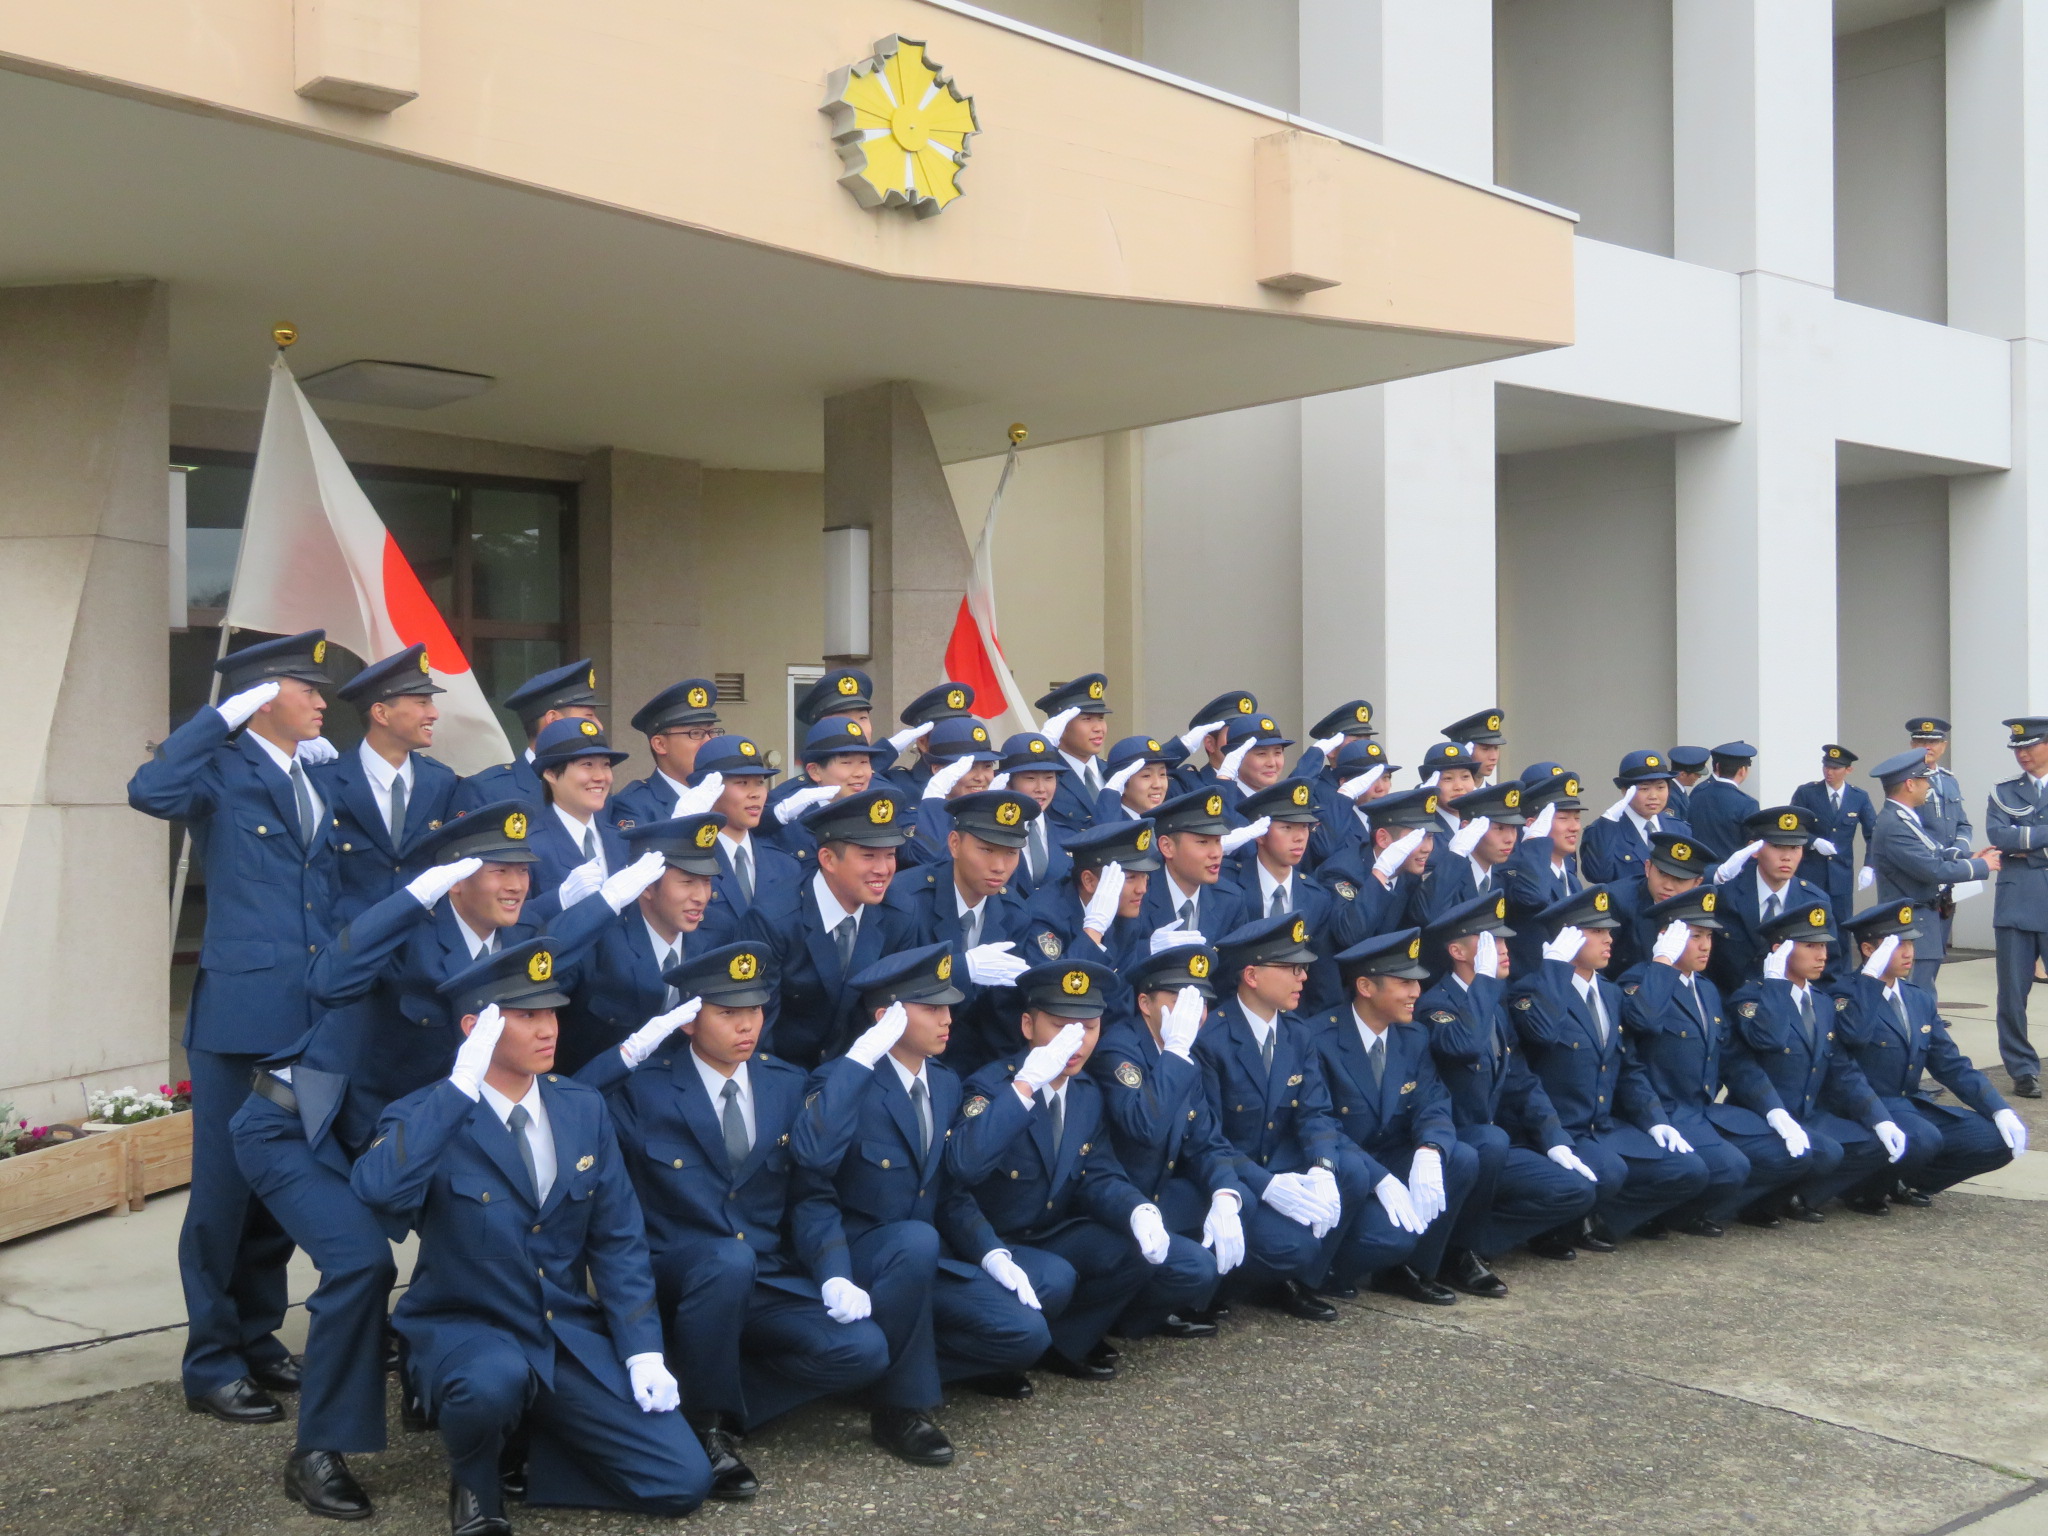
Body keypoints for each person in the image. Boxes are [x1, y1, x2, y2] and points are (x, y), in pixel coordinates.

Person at [241, 802, 639, 1518]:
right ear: (454, 879)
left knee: (483, 1228)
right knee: (361, 1262)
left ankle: (444, 1389)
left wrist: (614, 894)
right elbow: (328, 981)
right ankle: (317, 1450)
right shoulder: (410, 935)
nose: (517, 883)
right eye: (498, 869)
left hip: (385, 1131)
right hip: (298, 1127)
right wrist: (413, 896)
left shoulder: (506, 948)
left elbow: (561, 938)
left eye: (523, 868)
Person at [350, 943, 711, 1532]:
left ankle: (535, 1445)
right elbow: (379, 1192)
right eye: (525, 1016)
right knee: (492, 1383)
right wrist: (455, 1093)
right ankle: (475, 1479)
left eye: (552, 1013)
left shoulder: (581, 1107)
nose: (548, 1029)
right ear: (475, 1029)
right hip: (469, 1328)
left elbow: (618, 1241)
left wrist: (642, 1347)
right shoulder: (424, 1114)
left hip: (563, 1333)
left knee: (680, 1481)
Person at [580, 940, 891, 1498]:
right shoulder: (646, 1087)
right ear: (689, 1021)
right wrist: (626, 1054)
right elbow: (571, 1108)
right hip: (677, 1272)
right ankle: (707, 1428)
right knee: (727, 1259)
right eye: (728, 1012)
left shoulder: (785, 1082)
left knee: (862, 1350)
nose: (747, 1025)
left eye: (754, 1010)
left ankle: (715, 1388)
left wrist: (835, 1271)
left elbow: (810, 1194)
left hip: (761, 1276)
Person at [127, 631, 336, 1427]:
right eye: (304, 686)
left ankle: (256, 1335)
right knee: (221, 1196)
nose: (322, 700)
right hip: (240, 1017)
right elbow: (150, 791)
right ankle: (211, 1361)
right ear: (260, 696)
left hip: (310, 1015)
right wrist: (217, 721)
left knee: (279, 1192)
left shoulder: (316, 775)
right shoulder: (221, 766)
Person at [793, 942, 1059, 1422]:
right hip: (863, 1261)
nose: (947, 1020)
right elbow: (813, 1170)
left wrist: (991, 1252)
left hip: (924, 1258)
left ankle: (882, 1369)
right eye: (931, 1008)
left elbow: (952, 1188)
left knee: (1026, 1333)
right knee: (916, 1240)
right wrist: (858, 1064)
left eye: (949, 1007)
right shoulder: (840, 1080)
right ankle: (899, 1406)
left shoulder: (944, 1081)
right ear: (884, 1018)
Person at [950, 961, 1199, 1378]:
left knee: (1137, 1249)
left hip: (1048, 1231)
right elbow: (962, 1171)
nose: (1076, 1041)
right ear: (1027, 1025)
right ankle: (994, 1362)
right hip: (990, 1239)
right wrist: (1022, 1092)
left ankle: (1064, 1343)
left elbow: (1099, 1173)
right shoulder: (991, 1087)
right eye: (1060, 1025)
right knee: (1056, 1277)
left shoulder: (1085, 1092)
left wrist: (1137, 1210)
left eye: (1088, 1027)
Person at [1092, 940, 1309, 1334]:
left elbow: (1206, 1140)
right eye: (1180, 1000)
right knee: (1194, 1265)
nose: (1194, 1014)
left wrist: (1227, 1193)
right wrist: (1175, 1053)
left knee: (1242, 1208)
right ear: (1144, 1004)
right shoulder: (1119, 1049)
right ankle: (1116, 1322)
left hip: (1159, 1189)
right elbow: (1144, 1127)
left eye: (1201, 1002)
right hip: (1115, 1198)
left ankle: (1188, 1300)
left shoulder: (1183, 1051)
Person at [1507, 886, 1711, 1247]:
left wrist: (1654, 1120)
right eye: (1596, 931)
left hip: (1601, 1126)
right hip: (1557, 1130)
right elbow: (1542, 1033)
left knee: (1689, 1170)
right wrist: (1553, 969)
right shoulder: (1530, 991)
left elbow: (1629, 1068)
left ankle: (1599, 1220)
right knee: (1611, 1171)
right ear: (1567, 938)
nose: (1609, 939)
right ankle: (1558, 1227)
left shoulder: (1611, 993)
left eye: (1609, 930)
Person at [1194, 915, 1373, 1320]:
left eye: (1304, 967)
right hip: (1232, 1173)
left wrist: (1323, 1166)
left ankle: (1296, 1282)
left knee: (1351, 1171)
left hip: (1278, 1158)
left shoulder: (1296, 1032)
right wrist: (1267, 1184)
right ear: (1252, 975)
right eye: (1291, 968)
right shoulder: (1213, 1040)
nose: (1303, 978)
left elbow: (1315, 1111)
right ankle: (1226, 1283)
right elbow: (1208, 1137)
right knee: (1293, 1246)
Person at [1414, 895, 1598, 1284]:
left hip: (1492, 1148)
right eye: (1490, 943)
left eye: (1503, 941)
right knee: (1490, 1141)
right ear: (1457, 951)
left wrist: (1554, 1138)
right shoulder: (1435, 1005)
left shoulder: (1493, 1004)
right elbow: (1463, 1044)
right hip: (1451, 1146)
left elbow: (1520, 1080)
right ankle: (1450, 1254)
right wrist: (1482, 981)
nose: (1503, 950)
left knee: (1575, 1189)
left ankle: (1468, 1243)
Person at [1310, 929, 1482, 1306]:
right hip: (1346, 1171)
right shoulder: (1319, 1039)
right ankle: (1327, 1270)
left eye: (1417, 982)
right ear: (1366, 987)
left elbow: (1433, 1101)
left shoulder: (1412, 1036)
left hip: (1391, 1155)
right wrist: (1379, 1178)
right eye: (1404, 983)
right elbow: (1320, 1122)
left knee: (1463, 1158)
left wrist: (1430, 1149)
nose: (1416, 993)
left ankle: (1409, 1270)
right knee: (1390, 1236)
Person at [1614, 887, 1797, 1238]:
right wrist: (1662, 965)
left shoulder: (1707, 990)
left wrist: (1773, 1109)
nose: (1705, 945)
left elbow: (1732, 1059)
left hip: (1701, 1113)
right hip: (1661, 1113)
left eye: (1709, 936)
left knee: (1785, 1153)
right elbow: (1646, 1022)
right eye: (1694, 936)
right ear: (1667, 938)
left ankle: (1688, 1210)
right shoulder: (1640, 982)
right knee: (1729, 1167)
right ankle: (1643, 1215)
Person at [1835, 901, 2026, 1207]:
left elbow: (1950, 1064)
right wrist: (1868, 983)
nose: (1908, 952)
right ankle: (1861, 1189)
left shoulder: (1917, 998)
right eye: (1897, 944)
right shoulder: (1843, 994)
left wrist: (1998, 1108)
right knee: (1923, 1137)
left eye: (1910, 942)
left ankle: (1905, 1182)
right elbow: (1855, 1037)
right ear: (1870, 950)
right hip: (1865, 1108)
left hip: (1908, 1106)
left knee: (1996, 1140)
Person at [1722, 902, 1902, 1223]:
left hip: (1809, 1115)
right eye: (1810, 946)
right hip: (1764, 1116)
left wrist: (1879, 1117)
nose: (1822, 955)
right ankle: (1752, 1203)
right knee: (1825, 1153)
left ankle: (1798, 1196)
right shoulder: (1751, 998)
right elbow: (1768, 1041)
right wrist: (1776, 985)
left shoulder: (1821, 1001)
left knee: (1878, 1145)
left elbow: (1842, 1069)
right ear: (1779, 950)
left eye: (1823, 946)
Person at [741, 787, 918, 1069]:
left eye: (890, 855)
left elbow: (894, 1012)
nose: (884, 869)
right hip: (785, 1072)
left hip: (861, 1070)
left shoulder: (899, 913)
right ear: (828, 859)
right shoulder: (774, 920)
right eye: (868, 856)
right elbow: (759, 1025)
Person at [558, 812, 727, 1074]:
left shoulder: (718, 932)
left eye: (705, 882)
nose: (700, 897)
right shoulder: (600, 940)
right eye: (687, 882)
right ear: (646, 887)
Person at [885, 790, 1040, 1071]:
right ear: (954, 844)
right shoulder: (907, 897)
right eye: (986, 850)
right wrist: (961, 968)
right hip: (902, 1056)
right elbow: (890, 988)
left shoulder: (1013, 911)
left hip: (972, 1063)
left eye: (1011, 853)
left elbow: (1001, 1014)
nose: (999, 866)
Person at [320, 643, 459, 922]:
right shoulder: (324, 781)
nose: (433, 713)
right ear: (381, 713)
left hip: (423, 947)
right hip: (351, 945)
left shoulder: (442, 781)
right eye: (422, 703)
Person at [1866, 750, 2000, 990]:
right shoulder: (1895, 825)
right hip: (1910, 921)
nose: (1928, 785)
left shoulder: (1902, 818)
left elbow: (1935, 850)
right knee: (1916, 994)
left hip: (1921, 920)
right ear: (1909, 784)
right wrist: (1981, 866)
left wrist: (1969, 856)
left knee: (1924, 992)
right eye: (1924, 780)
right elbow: (1933, 869)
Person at [1230, 778, 1359, 1013]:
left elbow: (1323, 981)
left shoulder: (1315, 897)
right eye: (1287, 828)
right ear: (1259, 834)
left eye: (1304, 827)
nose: (1299, 837)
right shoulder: (1232, 888)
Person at [1019, 817, 1160, 992]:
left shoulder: (1127, 916)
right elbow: (1054, 992)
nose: (1142, 889)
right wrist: (1093, 931)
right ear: (1089, 881)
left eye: (1145, 876)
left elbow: (1119, 1003)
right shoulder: (1045, 916)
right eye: (1129, 878)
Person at [1706, 806, 1836, 996]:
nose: (1787, 857)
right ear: (1754, 849)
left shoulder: (1814, 902)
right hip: (1730, 1007)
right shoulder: (1726, 893)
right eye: (1777, 846)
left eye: (1795, 848)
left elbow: (1829, 972)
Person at [449, 659, 604, 814]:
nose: (599, 726)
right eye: (588, 716)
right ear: (553, 720)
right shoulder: (486, 792)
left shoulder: (597, 791)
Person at [1986, 717, 2048, 1098]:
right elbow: (1998, 836)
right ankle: (2022, 1069)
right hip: (2017, 899)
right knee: (2012, 993)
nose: (2022, 754)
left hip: (2029, 882)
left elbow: (2016, 839)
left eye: (2030, 746)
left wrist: (2027, 846)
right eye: (2017, 748)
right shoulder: (2003, 792)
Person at [688, 734, 799, 925]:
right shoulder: (689, 864)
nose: (755, 794)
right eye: (742, 783)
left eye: (759, 783)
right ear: (709, 789)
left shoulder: (785, 866)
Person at [523, 718, 630, 915]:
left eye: (606, 765)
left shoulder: (621, 841)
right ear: (551, 774)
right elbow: (515, 925)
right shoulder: (529, 846)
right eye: (587, 764)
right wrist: (559, 899)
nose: (600, 777)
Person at [758, 719, 894, 866]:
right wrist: (780, 815)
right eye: (846, 763)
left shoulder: (877, 808)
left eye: (864, 762)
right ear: (815, 771)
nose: (860, 773)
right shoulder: (786, 818)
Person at [1316, 786, 1440, 942]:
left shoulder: (1411, 873)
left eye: (1430, 837)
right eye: (1416, 838)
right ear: (1383, 838)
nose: (1428, 848)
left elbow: (1429, 918)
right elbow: (1350, 935)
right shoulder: (1340, 870)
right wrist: (1381, 874)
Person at [760, 668, 874, 826]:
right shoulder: (787, 803)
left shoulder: (886, 791)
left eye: (863, 718)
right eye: (843, 720)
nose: (855, 727)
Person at [1500, 769, 1586, 976]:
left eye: (1577, 817)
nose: (1574, 827)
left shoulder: (1572, 881)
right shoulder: (1515, 872)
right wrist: (1535, 843)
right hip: (1531, 985)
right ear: (1532, 825)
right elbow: (1534, 897)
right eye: (1563, 818)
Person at [606, 678, 722, 830]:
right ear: (660, 744)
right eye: (696, 733)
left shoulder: (726, 793)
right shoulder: (635, 804)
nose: (708, 742)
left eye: (712, 732)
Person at [1141, 788, 1254, 939]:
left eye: (1218, 841)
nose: (1215, 853)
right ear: (1167, 847)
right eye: (1203, 842)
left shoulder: (1229, 899)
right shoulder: (1138, 897)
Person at [1605, 831, 1716, 977]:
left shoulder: (1700, 906)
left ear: (1697, 883)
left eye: (1679, 879)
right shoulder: (1617, 900)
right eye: (1662, 874)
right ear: (1648, 868)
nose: (1668, 886)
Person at [1423, 781, 1526, 923]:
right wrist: (1457, 853)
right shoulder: (1443, 872)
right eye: (1499, 828)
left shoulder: (1503, 876)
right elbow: (1431, 914)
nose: (1510, 839)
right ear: (1468, 828)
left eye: (1513, 828)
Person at [1791, 745, 1876, 914]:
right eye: (1826, 766)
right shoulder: (1807, 793)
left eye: (1835, 768)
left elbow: (1873, 834)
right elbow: (1792, 826)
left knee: (1841, 926)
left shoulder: (1858, 797)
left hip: (1841, 874)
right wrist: (1813, 841)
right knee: (1807, 922)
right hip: (1810, 872)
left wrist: (1869, 865)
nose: (1829, 772)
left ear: (1848, 770)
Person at [1580, 750, 1681, 885]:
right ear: (1625, 791)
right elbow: (1598, 875)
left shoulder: (1679, 828)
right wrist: (1607, 822)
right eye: (1644, 789)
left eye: (1660, 787)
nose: (1654, 796)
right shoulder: (1604, 831)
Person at [993, 730, 1073, 899]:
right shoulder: (991, 835)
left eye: (1049, 778)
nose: (1041, 788)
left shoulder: (1070, 836)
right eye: (1030, 778)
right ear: (1007, 782)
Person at [1035, 673, 1113, 837]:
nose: (1098, 728)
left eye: (1100, 718)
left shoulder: (1112, 772)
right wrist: (1044, 748)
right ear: (1061, 726)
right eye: (1087, 719)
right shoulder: (1048, 775)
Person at [882, 683, 980, 796]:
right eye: (949, 734)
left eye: (964, 730)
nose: (960, 739)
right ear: (922, 742)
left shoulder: (985, 782)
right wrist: (886, 751)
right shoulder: (896, 785)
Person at [1168, 689, 1259, 796]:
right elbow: (1146, 776)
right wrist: (1182, 747)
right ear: (1210, 743)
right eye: (1233, 734)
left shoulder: (1258, 782)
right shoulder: (1187, 786)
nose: (1244, 742)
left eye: (1247, 734)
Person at [1683, 741, 1760, 860]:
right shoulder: (1748, 804)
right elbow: (1752, 846)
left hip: (1697, 870)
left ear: (1717, 767)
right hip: (1730, 873)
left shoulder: (1698, 793)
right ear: (1742, 771)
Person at [1439, 708, 1506, 787]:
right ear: (1465, 750)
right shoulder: (1443, 797)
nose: (1493, 757)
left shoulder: (1497, 797)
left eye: (1496, 748)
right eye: (1485, 749)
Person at [1666, 746, 1711, 822]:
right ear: (1682, 774)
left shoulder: (1678, 790)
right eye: (1696, 774)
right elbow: (1674, 825)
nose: (1699, 776)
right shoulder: (1671, 795)